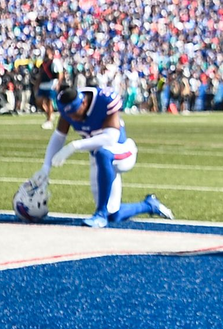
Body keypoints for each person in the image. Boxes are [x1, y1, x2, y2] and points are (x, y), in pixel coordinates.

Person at [37, 86, 174, 228]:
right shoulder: (68, 109)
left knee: (103, 153)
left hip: (123, 151)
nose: (72, 117)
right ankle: (149, 205)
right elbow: (59, 136)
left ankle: (100, 214)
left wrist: (75, 145)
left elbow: (110, 138)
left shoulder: (103, 100)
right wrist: (46, 167)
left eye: (74, 113)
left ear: (83, 102)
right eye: (68, 115)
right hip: (98, 158)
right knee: (113, 214)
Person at [32, 51, 62, 129]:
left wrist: (58, 83)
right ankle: (49, 114)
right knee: (39, 101)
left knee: (49, 102)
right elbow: (40, 75)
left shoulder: (54, 62)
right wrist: (37, 85)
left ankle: (49, 121)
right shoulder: (43, 64)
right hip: (43, 85)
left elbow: (60, 73)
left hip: (51, 84)